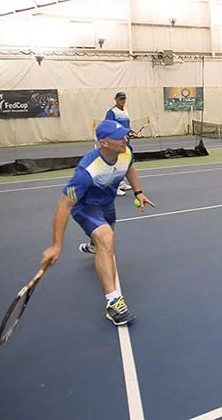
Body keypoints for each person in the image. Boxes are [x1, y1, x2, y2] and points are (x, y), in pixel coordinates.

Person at [41, 120, 156, 327]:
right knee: (107, 239)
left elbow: (129, 167)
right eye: (119, 136)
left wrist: (139, 191)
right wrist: (56, 245)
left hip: (107, 204)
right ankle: (113, 304)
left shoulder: (126, 151)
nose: (125, 138)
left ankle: (93, 246)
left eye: (125, 134)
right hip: (86, 207)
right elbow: (63, 206)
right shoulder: (87, 171)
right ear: (103, 142)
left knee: (102, 241)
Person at [105, 92, 134, 195]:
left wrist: (129, 132)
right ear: (115, 100)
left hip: (126, 141)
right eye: (120, 99)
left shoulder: (125, 111)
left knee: (124, 163)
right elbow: (108, 128)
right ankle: (114, 187)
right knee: (116, 164)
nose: (122, 101)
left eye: (124, 99)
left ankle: (121, 183)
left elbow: (126, 125)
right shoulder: (111, 112)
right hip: (117, 143)